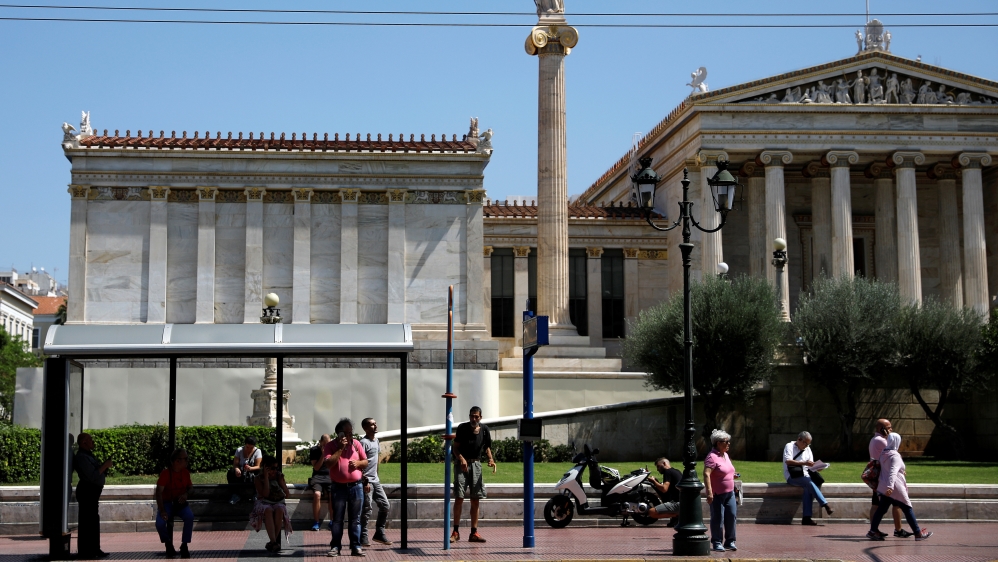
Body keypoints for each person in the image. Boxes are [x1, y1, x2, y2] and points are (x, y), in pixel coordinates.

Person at [868, 433, 932, 541]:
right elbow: (892, 472)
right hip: (894, 487)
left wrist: (901, 472)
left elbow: (888, 469)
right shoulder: (895, 455)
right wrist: (890, 486)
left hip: (883, 486)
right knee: (907, 508)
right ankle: (918, 533)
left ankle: (872, 531)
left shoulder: (884, 453)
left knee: (881, 509)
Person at [324, 418, 368, 557]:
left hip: (356, 486)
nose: (350, 436)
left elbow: (366, 461)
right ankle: (335, 546)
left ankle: (356, 546)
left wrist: (358, 463)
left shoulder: (356, 444)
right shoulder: (330, 446)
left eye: (351, 433)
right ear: (340, 434)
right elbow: (329, 464)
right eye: (347, 433)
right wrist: (340, 448)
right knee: (337, 519)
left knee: (355, 519)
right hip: (339, 487)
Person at [451, 406, 495, 544]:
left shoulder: (484, 430)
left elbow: (487, 446)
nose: (473, 419)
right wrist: (461, 459)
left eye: (476, 416)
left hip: (476, 465)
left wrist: (491, 459)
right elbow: (455, 447)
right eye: (472, 416)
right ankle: (456, 531)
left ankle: (473, 532)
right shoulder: (462, 428)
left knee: (475, 499)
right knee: (459, 497)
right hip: (461, 465)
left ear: (480, 418)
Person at [74, 432, 113, 559]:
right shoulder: (82, 457)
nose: (93, 442)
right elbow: (92, 475)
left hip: (93, 493)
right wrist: (105, 466)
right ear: (83, 443)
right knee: (87, 523)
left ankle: (95, 549)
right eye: (90, 440)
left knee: (93, 521)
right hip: (87, 492)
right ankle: (87, 551)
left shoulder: (87, 455)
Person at [869, 419, 909, 538]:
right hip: (885, 477)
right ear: (882, 429)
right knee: (896, 503)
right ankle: (897, 529)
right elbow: (892, 452)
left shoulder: (874, 439)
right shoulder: (882, 441)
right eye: (889, 427)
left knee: (877, 503)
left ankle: (874, 529)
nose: (891, 430)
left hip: (880, 476)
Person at [783, 431, 833, 526]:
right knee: (808, 482)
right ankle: (825, 504)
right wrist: (804, 463)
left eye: (808, 444)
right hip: (792, 475)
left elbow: (810, 465)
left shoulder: (808, 449)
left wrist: (818, 468)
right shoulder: (789, 446)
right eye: (805, 443)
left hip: (806, 475)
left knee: (807, 487)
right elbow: (788, 461)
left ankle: (806, 518)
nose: (806, 446)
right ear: (799, 439)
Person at [155, 449, 195, 558]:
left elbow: (191, 488)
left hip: (180, 503)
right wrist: (162, 510)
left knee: (189, 517)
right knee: (160, 523)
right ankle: (168, 543)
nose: (187, 461)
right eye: (185, 459)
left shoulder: (186, 473)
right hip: (167, 503)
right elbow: (158, 492)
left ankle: (185, 544)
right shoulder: (165, 474)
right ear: (177, 461)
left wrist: (186, 494)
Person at [359, 418, 392, 546]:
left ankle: (379, 532)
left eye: (375, 423)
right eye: (372, 424)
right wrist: (364, 480)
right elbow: (359, 463)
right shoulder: (363, 442)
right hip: (366, 481)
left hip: (376, 481)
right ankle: (363, 536)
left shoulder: (376, 441)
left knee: (385, 505)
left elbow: (376, 460)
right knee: (367, 509)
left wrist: (377, 476)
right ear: (366, 428)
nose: (375, 426)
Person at [703, 429, 737, 553]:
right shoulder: (711, 457)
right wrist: (709, 493)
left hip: (730, 493)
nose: (728, 444)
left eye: (729, 442)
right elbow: (706, 474)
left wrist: (733, 476)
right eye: (726, 442)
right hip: (717, 494)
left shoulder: (725, 455)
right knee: (718, 518)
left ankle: (730, 541)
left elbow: (727, 470)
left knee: (731, 516)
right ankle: (717, 542)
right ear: (718, 443)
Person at [250, 456, 291, 553]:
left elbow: (287, 495)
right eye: (272, 468)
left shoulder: (279, 477)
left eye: (276, 468)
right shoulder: (258, 479)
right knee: (268, 510)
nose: (275, 471)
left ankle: (272, 543)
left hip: (277, 501)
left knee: (280, 509)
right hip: (263, 501)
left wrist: (281, 482)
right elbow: (265, 494)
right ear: (265, 468)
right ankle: (274, 542)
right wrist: (266, 478)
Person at [647, 457, 682, 527]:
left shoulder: (667, 471)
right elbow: (665, 492)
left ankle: (677, 515)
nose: (657, 469)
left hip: (677, 503)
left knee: (651, 512)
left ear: (664, 463)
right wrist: (655, 482)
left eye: (658, 466)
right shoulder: (676, 471)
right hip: (681, 501)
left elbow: (664, 489)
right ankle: (676, 517)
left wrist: (654, 481)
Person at [227, 436, 263, 505]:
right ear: (245, 445)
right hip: (241, 473)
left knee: (260, 472)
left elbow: (258, 466)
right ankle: (235, 494)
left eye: (251, 448)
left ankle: (256, 494)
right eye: (247, 447)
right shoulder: (239, 450)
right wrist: (237, 469)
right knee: (231, 472)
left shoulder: (257, 451)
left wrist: (250, 468)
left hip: (252, 473)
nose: (249, 449)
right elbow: (235, 464)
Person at [310, 434, 333, 531]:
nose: (327, 446)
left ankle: (332, 521)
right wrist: (323, 454)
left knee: (333, 495)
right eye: (325, 444)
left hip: (329, 476)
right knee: (317, 494)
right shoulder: (314, 450)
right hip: (318, 476)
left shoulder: (332, 449)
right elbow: (316, 467)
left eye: (328, 444)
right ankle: (316, 522)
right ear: (320, 442)